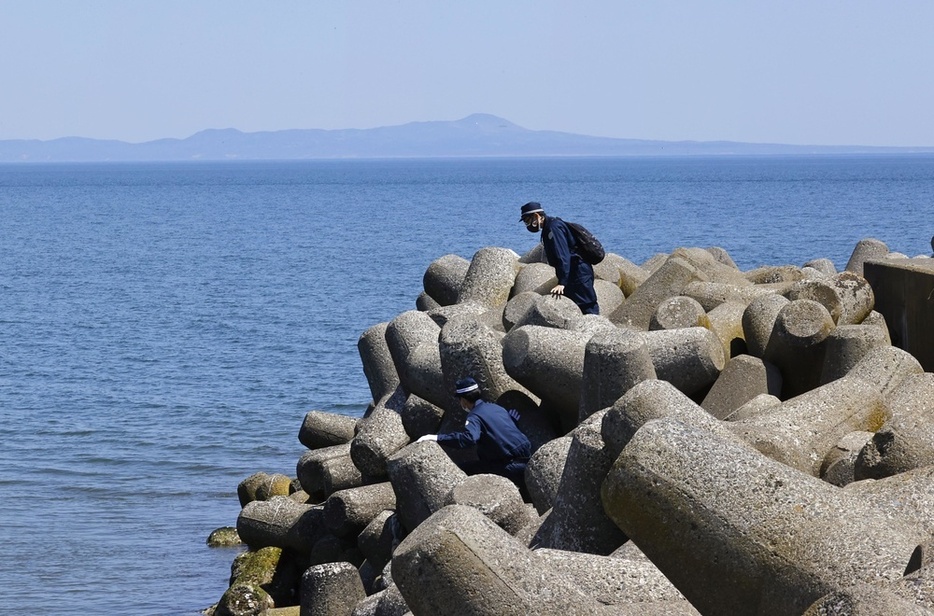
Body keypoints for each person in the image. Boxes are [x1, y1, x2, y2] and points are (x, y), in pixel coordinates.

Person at [417, 377, 532, 495]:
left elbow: (470, 438)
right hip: (528, 458)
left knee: (463, 470)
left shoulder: (474, 417)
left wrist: (437, 438)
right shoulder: (496, 408)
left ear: (464, 400)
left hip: (508, 465)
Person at [520, 201, 600, 315]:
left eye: (527, 220)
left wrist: (562, 283)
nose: (527, 224)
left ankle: (596, 330)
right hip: (573, 273)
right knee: (575, 306)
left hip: (579, 272)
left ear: (536, 216)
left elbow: (563, 256)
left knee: (587, 305)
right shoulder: (550, 227)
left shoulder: (553, 228)